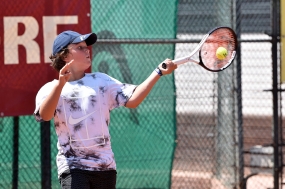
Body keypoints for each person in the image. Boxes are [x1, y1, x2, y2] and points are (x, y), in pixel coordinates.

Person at [34, 30, 177, 189]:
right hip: (73, 167)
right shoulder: (50, 89)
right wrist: (60, 85)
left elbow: (133, 99)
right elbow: (45, 116)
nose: (86, 50)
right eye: (79, 47)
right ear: (64, 55)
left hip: (105, 167)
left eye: (86, 46)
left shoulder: (101, 81)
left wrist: (158, 72)